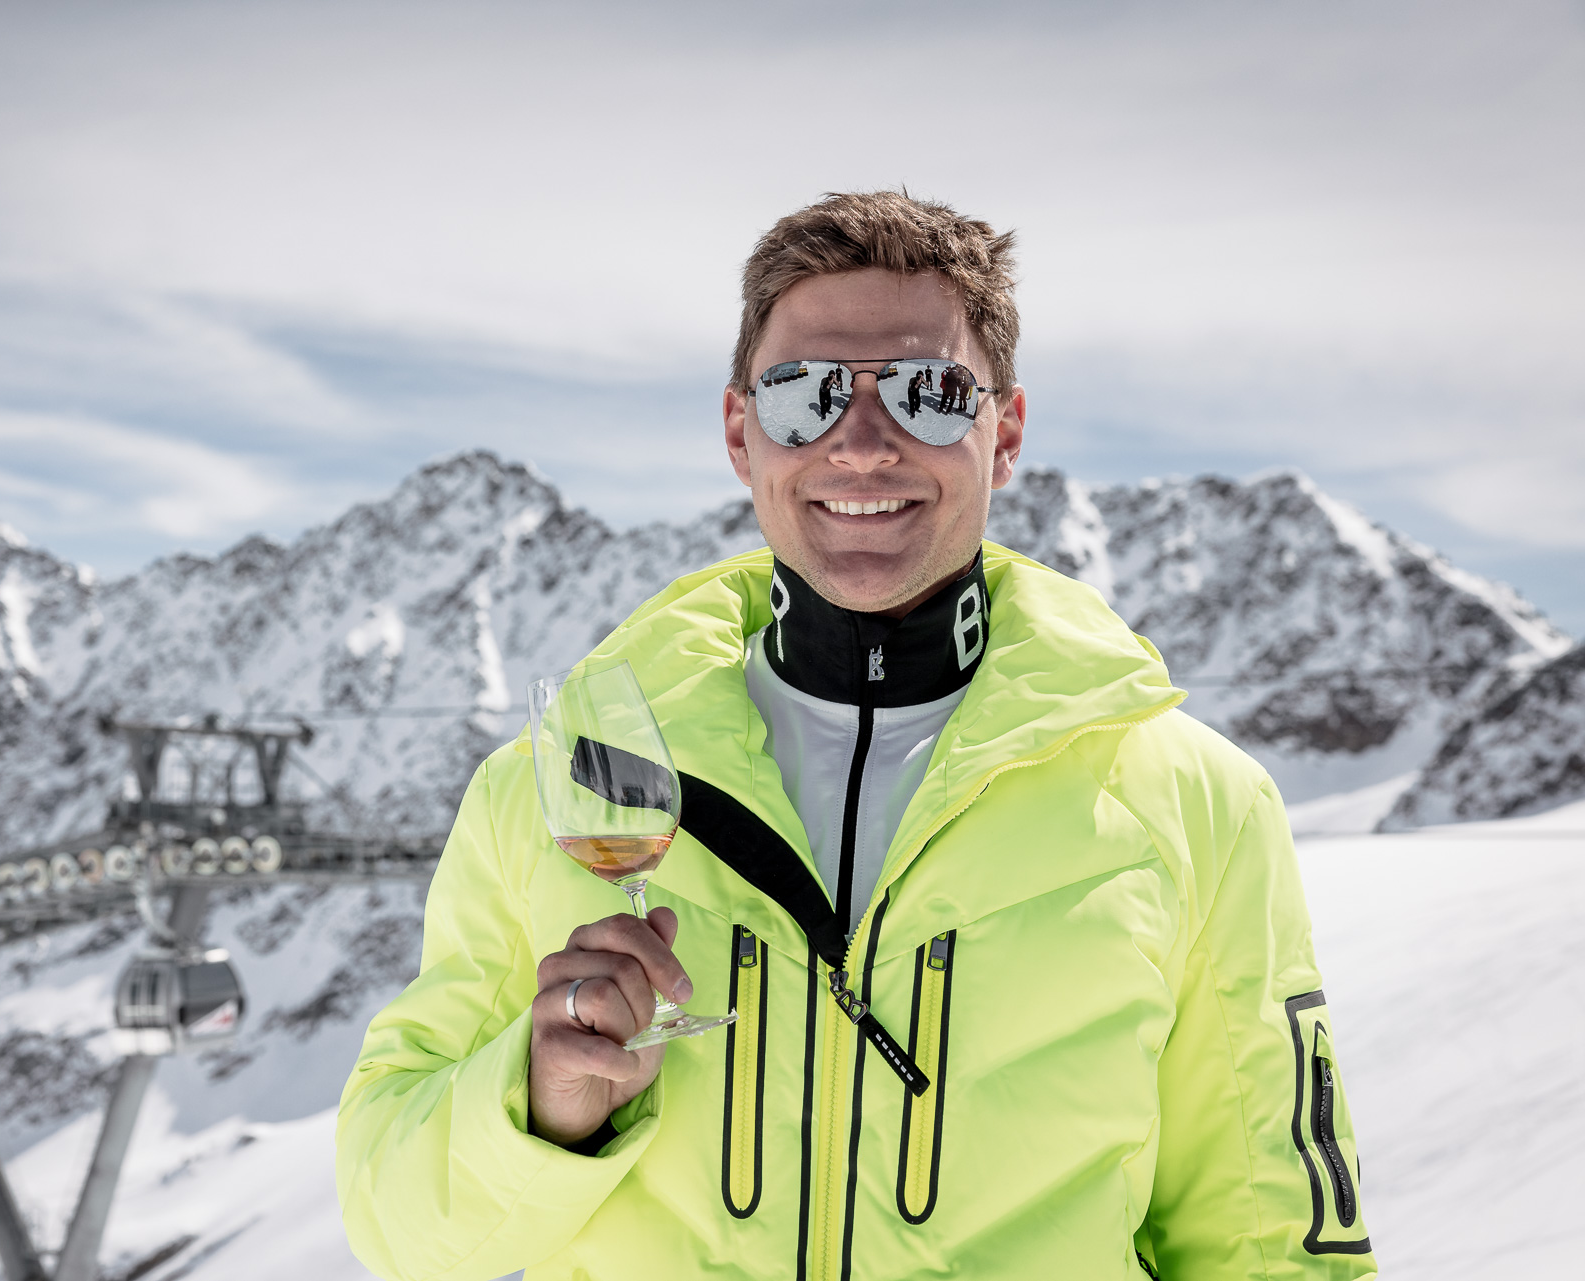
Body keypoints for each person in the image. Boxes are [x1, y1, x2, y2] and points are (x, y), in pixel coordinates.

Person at [338, 191, 1376, 1280]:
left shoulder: (1191, 802)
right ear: (744, 434)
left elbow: (1274, 1247)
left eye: (929, 395)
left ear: (1004, 431)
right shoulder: (560, 792)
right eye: (805, 397)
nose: (864, 443)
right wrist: (539, 1108)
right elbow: (399, 1236)